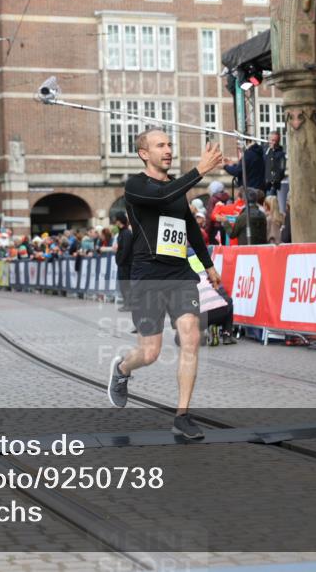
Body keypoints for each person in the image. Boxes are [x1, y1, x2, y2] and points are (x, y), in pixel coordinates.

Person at [107, 129, 223, 440]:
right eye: (161, 145)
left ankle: (182, 416)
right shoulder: (135, 186)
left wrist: (208, 264)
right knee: (150, 352)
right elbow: (160, 197)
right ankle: (122, 369)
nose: (168, 150)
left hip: (180, 274)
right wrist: (200, 169)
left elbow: (190, 229)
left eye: (170, 144)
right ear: (144, 153)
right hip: (148, 276)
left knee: (191, 337)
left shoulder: (176, 190)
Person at [112, 212, 133, 312]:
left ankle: (128, 304)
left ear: (119, 220)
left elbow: (126, 249)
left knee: (126, 285)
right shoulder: (122, 233)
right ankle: (127, 304)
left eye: (115, 219)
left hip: (126, 264)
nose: (114, 222)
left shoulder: (126, 233)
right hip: (123, 263)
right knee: (123, 285)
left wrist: (120, 260)